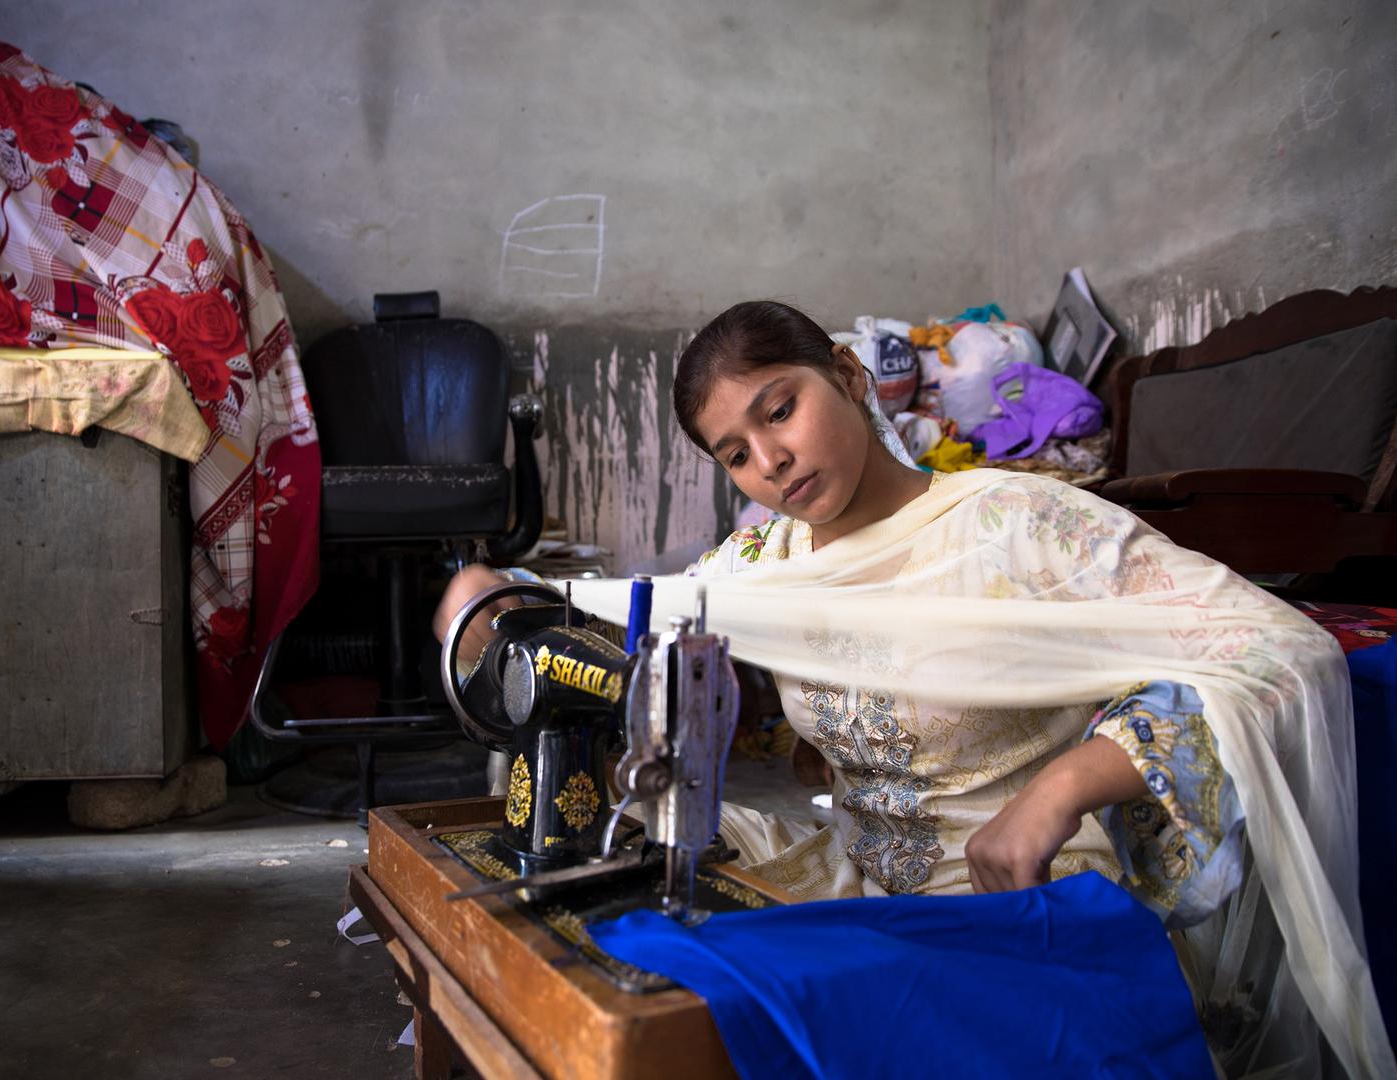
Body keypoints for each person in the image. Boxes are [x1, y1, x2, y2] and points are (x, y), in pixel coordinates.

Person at [434, 300, 1392, 1077]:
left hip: (1028, 897)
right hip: (855, 880)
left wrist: (1063, 788)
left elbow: (1274, 649)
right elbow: (629, 625)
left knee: (742, 1005)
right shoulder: (764, 562)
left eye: (779, 410)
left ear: (849, 377)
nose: (769, 461)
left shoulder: (1020, 525)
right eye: (734, 452)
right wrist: (496, 605)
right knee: (604, 933)